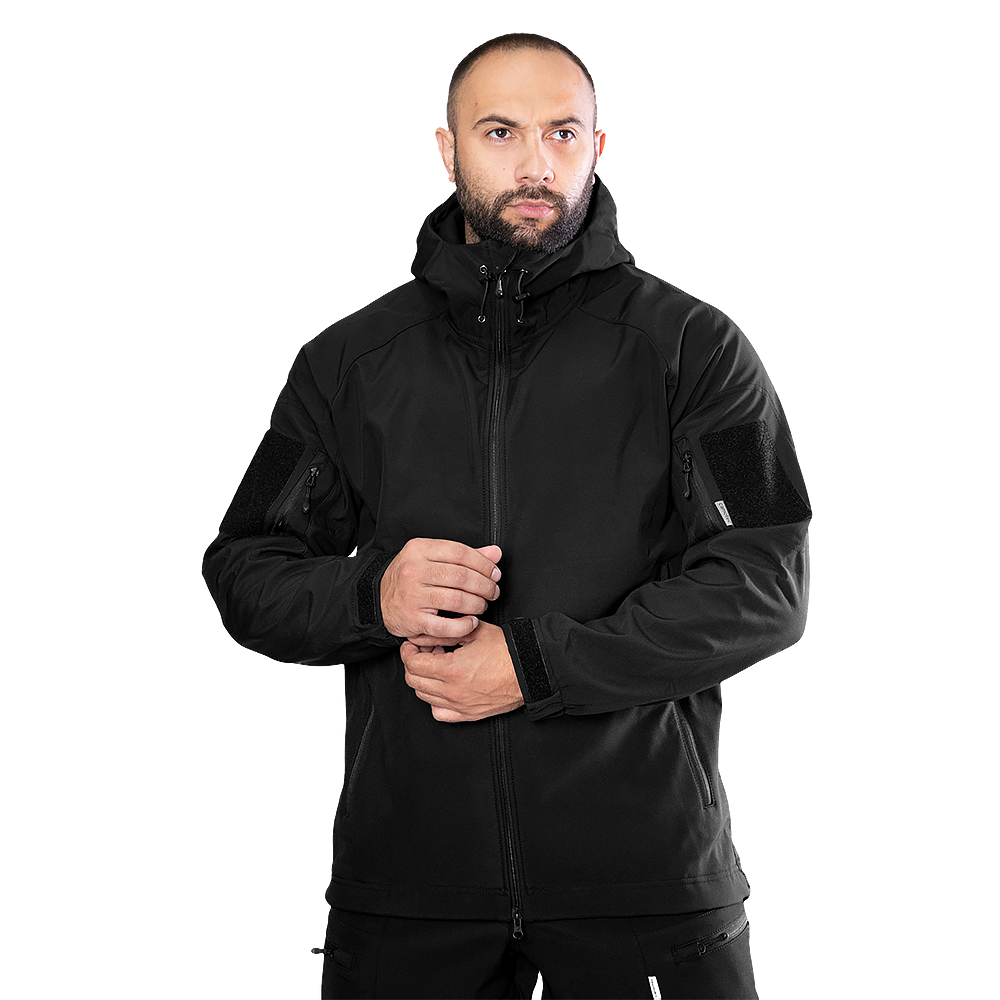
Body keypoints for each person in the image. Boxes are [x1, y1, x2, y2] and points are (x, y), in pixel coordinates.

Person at [204, 36, 810, 1000]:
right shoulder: (347, 363)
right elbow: (244, 573)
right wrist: (373, 594)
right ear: (446, 149)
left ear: (597, 146)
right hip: (409, 894)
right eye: (501, 132)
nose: (536, 163)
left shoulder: (692, 349)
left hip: (643, 888)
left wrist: (534, 666)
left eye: (563, 133)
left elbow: (766, 582)